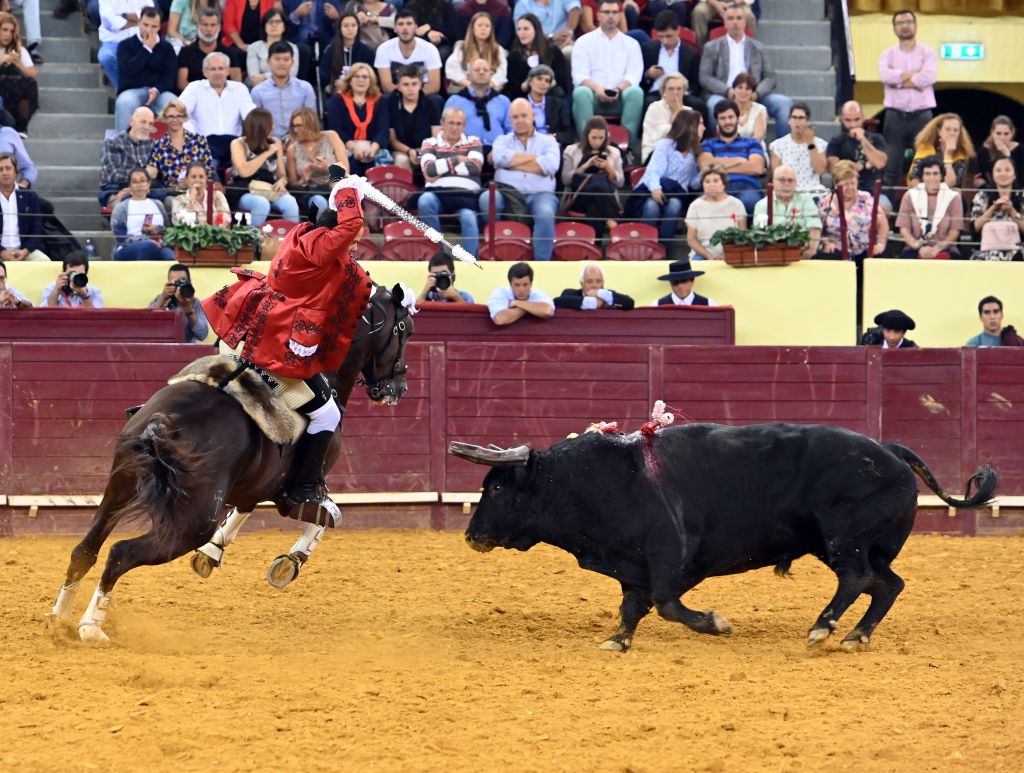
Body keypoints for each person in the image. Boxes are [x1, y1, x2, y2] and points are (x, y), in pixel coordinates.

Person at [202, 171, 374, 523]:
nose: (353, 247)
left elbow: (347, 267)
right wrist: (347, 191)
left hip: (239, 340)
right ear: (335, 235)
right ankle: (304, 487)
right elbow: (348, 224)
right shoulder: (324, 248)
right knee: (327, 413)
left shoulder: (301, 236)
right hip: (270, 350)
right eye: (351, 241)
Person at [480, 98, 560, 261]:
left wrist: (510, 163)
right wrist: (536, 160)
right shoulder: (502, 140)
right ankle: (497, 252)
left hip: (540, 194)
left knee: (545, 212)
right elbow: (498, 157)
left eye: (524, 116)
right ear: (510, 120)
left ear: (533, 116)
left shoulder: (548, 141)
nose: (520, 121)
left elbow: (550, 166)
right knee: (486, 199)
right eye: (515, 117)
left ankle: (542, 264)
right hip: (507, 194)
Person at [699, 3, 791, 137]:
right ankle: (718, 147)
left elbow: (771, 77)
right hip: (724, 95)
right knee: (714, 104)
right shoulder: (711, 47)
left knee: (784, 103)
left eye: (739, 18)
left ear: (745, 21)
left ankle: (782, 150)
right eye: (730, 18)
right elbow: (705, 77)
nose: (735, 22)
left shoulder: (758, 47)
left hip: (753, 95)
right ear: (724, 22)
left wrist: (756, 93)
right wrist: (727, 91)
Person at [570, 0, 643, 155]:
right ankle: (586, 148)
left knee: (636, 92)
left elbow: (634, 74)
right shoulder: (584, 42)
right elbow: (579, 75)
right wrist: (598, 89)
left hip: (620, 96)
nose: (611, 16)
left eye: (615, 12)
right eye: (606, 12)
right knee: (580, 92)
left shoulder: (632, 44)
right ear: (598, 15)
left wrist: (618, 89)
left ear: (620, 15)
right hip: (593, 96)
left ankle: (627, 148)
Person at [878, 9, 936, 188]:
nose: (905, 26)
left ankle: (926, 207)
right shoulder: (887, 54)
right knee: (891, 167)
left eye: (908, 22)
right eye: (900, 23)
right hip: (895, 116)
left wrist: (899, 80)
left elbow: (928, 78)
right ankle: (888, 208)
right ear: (894, 28)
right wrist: (914, 77)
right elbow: (885, 76)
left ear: (915, 25)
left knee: (926, 164)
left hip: (922, 116)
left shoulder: (928, 52)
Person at [417, 106, 483, 256]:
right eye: (451, 123)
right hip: (437, 193)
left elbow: (474, 168)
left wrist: (442, 166)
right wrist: (458, 159)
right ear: (442, 123)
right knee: (425, 200)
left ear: (464, 126)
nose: (454, 127)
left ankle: (469, 263)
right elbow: (429, 169)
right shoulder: (429, 142)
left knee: (469, 218)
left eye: (459, 124)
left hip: (465, 197)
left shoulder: (474, 141)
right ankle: (438, 256)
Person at [631, 109, 701, 241]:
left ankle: (663, 247)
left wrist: (704, 172)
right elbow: (653, 170)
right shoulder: (666, 144)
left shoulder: (696, 151)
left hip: (677, 193)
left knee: (674, 205)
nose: (704, 127)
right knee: (651, 207)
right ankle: (643, 244)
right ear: (689, 127)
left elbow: (693, 183)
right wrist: (655, 188)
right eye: (700, 124)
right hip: (656, 188)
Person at [179, 51, 257, 167]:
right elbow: (179, 113)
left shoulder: (240, 89)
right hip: (205, 144)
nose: (217, 72)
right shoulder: (195, 88)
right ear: (205, 72)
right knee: (206, 170)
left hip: (234, 144)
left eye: (221, 68)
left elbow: (250, 115)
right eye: (213, 69)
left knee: (243, 171)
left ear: (227, 71)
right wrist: (196, 138)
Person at [229, 107, 300, 224]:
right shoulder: (238, 143)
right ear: (260, 127)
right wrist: (267, 153)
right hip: (244, 190)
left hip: (269, 188)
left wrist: (282, 181)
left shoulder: (275, 142)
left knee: (290, 202)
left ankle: (292, 240)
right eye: (270, 124)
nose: (273, 127)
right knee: (262, 204)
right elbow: (244, 172)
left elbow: (282, 174)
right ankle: (253, 240)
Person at [113, 6, 178, 133]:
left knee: (175, 104)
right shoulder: (125, 45)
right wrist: (146, 49)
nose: (149, 29)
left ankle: (175, 147)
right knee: (124, 103)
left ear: (160, 27)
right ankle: (122, 146)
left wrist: (157, 90)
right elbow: (128, 72)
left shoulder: (167, 47)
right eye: (145, 25)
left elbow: (170, 77)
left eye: (154, 26)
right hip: (133, 90)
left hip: (160, 91)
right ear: (139, 23)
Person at [698, 99, 765, 215]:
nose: (727, 122)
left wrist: (717, 165)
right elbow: (705, 166)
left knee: (749, 202)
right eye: (723, 118)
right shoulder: (708, 144)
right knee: (702, 205)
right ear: (717, 121)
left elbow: (757, 168)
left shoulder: (752, 143)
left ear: (737, 118)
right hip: (715, 186)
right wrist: (741, 161)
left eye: (731, 117)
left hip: (747, 186)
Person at [560, 115, 623, 238]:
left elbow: (620, 183)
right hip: (578, 197)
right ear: (586, 135)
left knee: (594, 208)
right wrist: (584, 166)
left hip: (600, 201)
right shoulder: (571, 150)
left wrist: (609, 169)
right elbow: (565, 180)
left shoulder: (614, 152)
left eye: (601, 138)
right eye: (594, 138)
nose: (597, 142)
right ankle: (612, 217)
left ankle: (596, 248)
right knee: (597, 180)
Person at [814, 160, 888, 261]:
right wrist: (825, 242)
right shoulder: (826, 203)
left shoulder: (866, 199)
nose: (850, 187)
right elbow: (816, 230)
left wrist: (880, 244)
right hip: (836, 251)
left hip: (864, 250)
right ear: (836, 184)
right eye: (845, 184)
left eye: (853, 183)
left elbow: (883, 223)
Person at [326, 62, 390, 175]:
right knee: (352, 167)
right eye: (356, 76)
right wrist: (354, 148)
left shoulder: (380, 101)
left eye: (365, 77)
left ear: (371, 81)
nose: (361, 80)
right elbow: (336, 129)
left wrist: (372, 150)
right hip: (346, 148)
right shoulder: (337, 100)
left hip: (372, 148)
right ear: (349, 80)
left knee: (374, 169)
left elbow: (383, 130)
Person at [826, 100, 891, 211]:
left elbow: (880, 163)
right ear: (841, 119)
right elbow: (834, 169)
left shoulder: (876, 139)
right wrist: (863, 166)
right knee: (828, 208)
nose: (853, 125)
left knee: (883, 208)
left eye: (857, 119)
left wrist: (862, 139)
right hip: (844, 191)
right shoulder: (836, 141)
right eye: (848, 120)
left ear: (863, 117)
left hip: (873, 191)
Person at [895, 155, 963, 260]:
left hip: (945, 247)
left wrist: (937, 248)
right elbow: (904, 229)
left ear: (942, 176)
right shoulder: (910, 195)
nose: (932, 178)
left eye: (935, 174)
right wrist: (918, 247)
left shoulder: (953, 197)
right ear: (922, 177)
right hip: (914, 246)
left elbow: (954, 232)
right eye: (927, 174)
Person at [641, 12, 705, 122]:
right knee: (650, 103)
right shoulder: (648, 49)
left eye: (668, 36)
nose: (665, 41)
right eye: (661, 37)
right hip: (657, 93)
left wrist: (682, 90)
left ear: (678, 30)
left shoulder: (691, 53)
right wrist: (648, 74)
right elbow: (638, 79)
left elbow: (696, 84)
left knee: (698, 105)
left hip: (682, 94)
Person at [285, 107, 350, 215]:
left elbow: (346, 169)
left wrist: (328, 168)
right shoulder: (292, 149)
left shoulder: (331, 136)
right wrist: (304, 179)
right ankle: (322, 231)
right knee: (318, 201)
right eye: (294, 126)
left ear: (311, 124)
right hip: (311, 192)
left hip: (335, 188)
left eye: (299, 125)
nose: (296, 129)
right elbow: (293, 184)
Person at [752, 165, 821, 258]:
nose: (787, 184)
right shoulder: (762, 205)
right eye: (782, 180)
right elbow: (759, 235)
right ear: (773, 182)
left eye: (790, 180)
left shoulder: (806, 200)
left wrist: (808, 253)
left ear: (796, 183)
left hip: (803, 256)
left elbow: (815, 228)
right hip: (772, 256)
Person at [147, 99, 216, 192]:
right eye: (171, 116)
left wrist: (192, 180)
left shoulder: (199, 140)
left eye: (179, 116)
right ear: (164, 119)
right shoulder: (158, 145)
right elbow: (152, 173)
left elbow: (209, 169)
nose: (175, 120)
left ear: (184, 118)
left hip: (199, 190)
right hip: (173, 193)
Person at [251, 40, 317, 139]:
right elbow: (256, 124)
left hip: (300, 140)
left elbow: (311, 120)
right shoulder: (258, 91)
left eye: (286, 59)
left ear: (292, 62)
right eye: (277, 59)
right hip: (268, 142)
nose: (281, 63)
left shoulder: (305, 88)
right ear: (268, 62)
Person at [111, 167, 175, 261]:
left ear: (149, 184)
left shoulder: (158, 204)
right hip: (128, 248)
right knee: (149, 246)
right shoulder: (121, 208)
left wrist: (156, 229)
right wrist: (145, 239)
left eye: (142, 181)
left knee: (170, 256)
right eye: (135, 182)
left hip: (159, 245)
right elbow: (120, 238)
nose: (139, 185)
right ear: (130, 186)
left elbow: (168, 231)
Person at [443, 58, 510, 147]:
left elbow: (511, 131)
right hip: (465, 151)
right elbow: (446, 130)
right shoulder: (454, 101)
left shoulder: (503, 101)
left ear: (491, 75)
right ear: (468, 76)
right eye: (477, 70)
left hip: (497, 152)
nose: (481, 72)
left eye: (485, 70)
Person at [373, 9, 442, 95]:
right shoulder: (383, 49)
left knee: (436, 100)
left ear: (416, 27)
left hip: (422, 94)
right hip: (395, 94)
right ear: (395, 28)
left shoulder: (430, 49)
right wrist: (406, 95)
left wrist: (413, 95)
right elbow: (387, 86)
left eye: (409, 24)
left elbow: (434, 86)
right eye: (401, 24)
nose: (405, 28)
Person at [100, 106, 158, 207]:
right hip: (117, 188)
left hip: (146, 189)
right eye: (143, 122)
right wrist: (143, 173)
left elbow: (156, 173)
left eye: (150, 124)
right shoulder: (113, 143)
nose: (146, 127)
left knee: (163, 199)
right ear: (131, 121)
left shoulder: (153, 144)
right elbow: (113, 175)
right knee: (130, 204)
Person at [504, 12, 570, 100]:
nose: (521, 33)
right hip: (524, 99)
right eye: (519, 29)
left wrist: (544, 84)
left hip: (550, 96)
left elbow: (562, 79)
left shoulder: (553, 51)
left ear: (536, 30)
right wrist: (527, 85)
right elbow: (511, 84)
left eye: (526, 29)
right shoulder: (514, 56)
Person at [387, 63, 440, 171]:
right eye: (406, 84)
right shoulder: (390, 104)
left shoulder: (432, 104)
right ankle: (404, 188)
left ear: (421, 84)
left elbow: (436, 136)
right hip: (402, 151)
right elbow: (392, 140)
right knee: (402, 160)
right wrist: (409, 151)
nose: (410, 88)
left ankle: (433, 187)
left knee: (433, 159)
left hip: (426, 148)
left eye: (414, 84)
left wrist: (424, 151)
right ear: (398, 86)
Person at [686, 164, 745, 260]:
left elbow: (742, 235)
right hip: (702, 254)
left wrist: (728, 254)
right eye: (707, 181)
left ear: (724, 184)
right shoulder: (695, 206)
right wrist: (708, 256)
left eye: (716, 181)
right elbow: (691, 239)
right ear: (703, 185)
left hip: (731, 252)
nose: (711, 185)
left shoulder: (736, 204)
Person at [970, 157, 1024, 262]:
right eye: (998, 170)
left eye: (1007, 170)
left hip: (1018, 250)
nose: (1003, 174)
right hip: (986, 251)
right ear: (993, 175)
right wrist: (993, 209)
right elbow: (975, 227)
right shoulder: (982, 195)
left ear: (1014, 175)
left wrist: (1012, 211)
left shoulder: (1022, 196)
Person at [176, 8, 244, 90]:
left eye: (213, 25)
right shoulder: (186, 52)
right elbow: (182, 83)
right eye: (205, 25)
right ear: (197, 26)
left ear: (219, 28)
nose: (209, 29)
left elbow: (237, 82)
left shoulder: (230, 53)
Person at [769, 103, 827, 197]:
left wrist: (810, 144)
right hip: (787, 190)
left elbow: (820, 170)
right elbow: (776, 176)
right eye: (794, 117)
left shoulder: (820, 144)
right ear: (789, 121)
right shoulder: (778, 145)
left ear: (808, 122)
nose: (797, 121)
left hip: (812, 191)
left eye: (801, 118)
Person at [0, 152, 48, 261]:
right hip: (0, 252)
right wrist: (2, 252)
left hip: (24, 250)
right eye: (0, 169)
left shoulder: (30, 196)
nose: (4, 173)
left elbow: (37, 230)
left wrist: (26, 250)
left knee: (43, 261)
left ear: (16, 171)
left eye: (8, 168)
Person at [907, 113, 974, 190]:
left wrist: (948, 155)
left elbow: (951, 184)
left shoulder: (961, 155)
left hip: (949, 197)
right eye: (948, 129)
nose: (952, 133)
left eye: (955, 130)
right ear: (939, 131)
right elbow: (914, 181)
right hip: (924, 194)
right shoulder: (925, 150)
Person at [445, 11, 507, 92]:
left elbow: (502, 73)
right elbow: (452, 68)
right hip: (465, 88)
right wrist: (468, 84)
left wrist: (489, 85)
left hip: (491, 90)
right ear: (472, 28)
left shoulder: (498, 49)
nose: (483, 28)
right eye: (479, 25)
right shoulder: (462, 47)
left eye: (487, 26)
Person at [149, 263, 210, 342]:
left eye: (182, 282)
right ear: (169, 283)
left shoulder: (196, 303)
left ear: (189, 282)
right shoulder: (161, 299)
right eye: (175, 283)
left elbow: (202, 335)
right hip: (162, 348)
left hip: (186, 350)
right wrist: (162, 299)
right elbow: (147, 327)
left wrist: (189, 310)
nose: (179, 287)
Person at [97, 0, 149, 91]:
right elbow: (111, 22)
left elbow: (150, 14)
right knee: (105, 57)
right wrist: (139, 21)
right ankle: (123, 89)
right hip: (113, 43)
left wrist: (124, 16)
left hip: (139, 41)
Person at [320, 11, 374, 98]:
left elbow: (372, 77)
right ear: (340, 29)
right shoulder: (330, 50)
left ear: (358, 28)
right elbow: (324, 78)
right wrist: (334, 84)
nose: (350, 29)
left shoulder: (367, 51)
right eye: (346, 26)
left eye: (353, 25)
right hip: (337, 95)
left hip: (362, 94)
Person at [0, 13, 38, 135]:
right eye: (4, 30)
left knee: (29, 83)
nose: (8, 35)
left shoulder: (19, 50)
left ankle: (21, 126)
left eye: (11, 31)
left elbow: (33, 76)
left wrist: (18, 63)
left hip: (15, 92)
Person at [487, 260, 555, 325]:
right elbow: (500, 319)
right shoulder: (500, 292)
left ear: (531, 284)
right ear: (510, 284)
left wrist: (517, 303)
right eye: (517, 285)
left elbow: (547, 311)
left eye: (525, 285)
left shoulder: (539, 294)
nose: (521, 289)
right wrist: (532, 309)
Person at [640, 72, 688, 164]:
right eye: (671, 89)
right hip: (654, 154)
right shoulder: (654, 108)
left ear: (684, 92)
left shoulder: (689, 111)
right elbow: (668, 135)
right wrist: (677, 113)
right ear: (663, 92)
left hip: (681, 156)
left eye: (679, 89)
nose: (675, 92)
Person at [245, 8, 300, 87]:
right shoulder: (254, 47)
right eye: (270, 21)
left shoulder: (292, 48)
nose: (274, 25)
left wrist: (264, 76)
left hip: (286, 88)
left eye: (278, 22)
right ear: (264, 26)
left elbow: (292, 75)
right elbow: (254, 78)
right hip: (259, 89)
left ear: (284, 26)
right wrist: (280, 75)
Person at [523, 64, 574, 147]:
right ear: (530, 80)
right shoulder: (520, 104)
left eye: (547, 81)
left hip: (552, 146)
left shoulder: (558, 104)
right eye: (539, 79)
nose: (543, 83)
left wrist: (553, 136)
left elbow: (569, 134)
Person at [554, 262, 634, 310]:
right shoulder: (570, 293)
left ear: (603, 283)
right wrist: (594, 303)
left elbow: (630, 303)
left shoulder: (608, 294)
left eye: (598, 281)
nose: (594, 285)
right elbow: (557, 301)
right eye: (589, 281)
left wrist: (601, 294)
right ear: (582, 283)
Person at [512, 0, 580, 53]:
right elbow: (521, 32)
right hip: (536, 45)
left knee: (569, 51)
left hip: (564, 42)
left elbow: (575, 10)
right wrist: (552, 37)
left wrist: (568, 32)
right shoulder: (522, 5)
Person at [40, 252, 104, 308]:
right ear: (63, 272)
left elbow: (96, 317)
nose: (76, 277)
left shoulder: (94, 292)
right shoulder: (51, 289)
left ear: (86, 275)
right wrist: (56, 290)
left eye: (80, 274)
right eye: (72, 273)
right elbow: (45, 313)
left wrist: (85, 296)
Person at [976, 116, 1024, 190]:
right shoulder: (984, 151)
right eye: (998, 133)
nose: (1002, 138)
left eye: (1006, 134)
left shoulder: (1021, 150)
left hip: (1017, 192)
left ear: (1012, 133)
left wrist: (1007, 154)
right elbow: (978, 178)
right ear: (992, 133)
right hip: (991, 192)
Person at [690, 0, 754, 46]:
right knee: (698, 12)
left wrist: (733, 3)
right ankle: (701, 47)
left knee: (749, 16)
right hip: (712, 3)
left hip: (738, 3)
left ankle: (749, 48)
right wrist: (716, 4)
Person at [728, 72, 765, 145]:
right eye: (740, 87)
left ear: (752, 92)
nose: (743, 92)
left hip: (754, 149)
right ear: (733, 89)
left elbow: (758, 137)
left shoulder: (760, 109)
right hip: (730, 148)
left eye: (747, 89)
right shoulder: (725, 108)